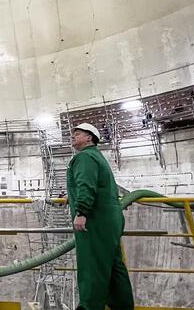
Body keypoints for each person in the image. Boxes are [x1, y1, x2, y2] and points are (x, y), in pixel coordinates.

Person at [67, 122, 134, 310]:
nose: (73, 136)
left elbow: (86, 185)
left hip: (95, 219)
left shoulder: (85, 157)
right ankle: (123, 306)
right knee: (114, 267)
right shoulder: (97, 157)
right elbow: (97, 185)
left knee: (92, 267)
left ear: (90, 137)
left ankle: (89, 307)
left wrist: (81, 212)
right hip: (110, 220)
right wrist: (70, 197)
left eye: (77, 133)